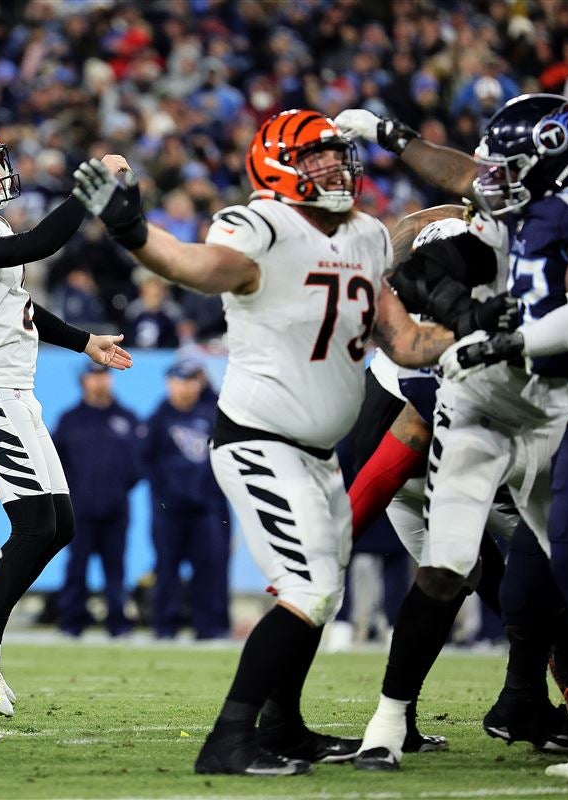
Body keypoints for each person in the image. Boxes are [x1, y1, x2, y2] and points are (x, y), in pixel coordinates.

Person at [72, 108, 456, 776]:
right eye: (317, 160)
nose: (336, 168)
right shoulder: (263, 223)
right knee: (306, 590)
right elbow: (198, 265)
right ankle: (227, 740)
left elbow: (405, 341)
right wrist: (132, 229)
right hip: (260, 441)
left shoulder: (367, 234)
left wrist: (486, 333)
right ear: (279, 168)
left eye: (339, 156)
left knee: (322, 591)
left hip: (317, 452)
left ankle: (283, 725)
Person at [336, 95, 568, 779]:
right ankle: (389, 720)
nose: (491, 178)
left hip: (554, 407)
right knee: (447, 566)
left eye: (509, 163)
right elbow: (456, 180)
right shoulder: (507, 210)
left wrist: (505, 336)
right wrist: (388, 132)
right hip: (481, 407)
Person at [0, 123, 133, 718]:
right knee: (40, 526)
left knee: (58, 526)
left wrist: (83, 341)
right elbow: (40, 245)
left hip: (16, 389)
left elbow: (17, 308)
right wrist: (90, 189)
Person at [141, 360, 230, 640]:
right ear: (169, 383)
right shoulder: (158, 418)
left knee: (210, 570)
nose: (185, 388)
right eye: (180, 381)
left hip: (207, 509)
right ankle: (165, 627)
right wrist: (165, 493)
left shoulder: (212, 414)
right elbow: (144, 461)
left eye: (191, 381)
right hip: (170, 512)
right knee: (167, 570)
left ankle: (211, 628)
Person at [52, 363, 141, 637]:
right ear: (84, 381)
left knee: (116, 568)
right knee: (76, 566)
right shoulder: (70, 419)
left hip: (116, 507)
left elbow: (139, 464)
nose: (100, 381)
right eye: (94, 376)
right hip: (80, 508)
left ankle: (118, 622)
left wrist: (117, 487)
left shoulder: (127, 418)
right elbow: (57, 462)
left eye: (104, 375)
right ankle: (72, 622)